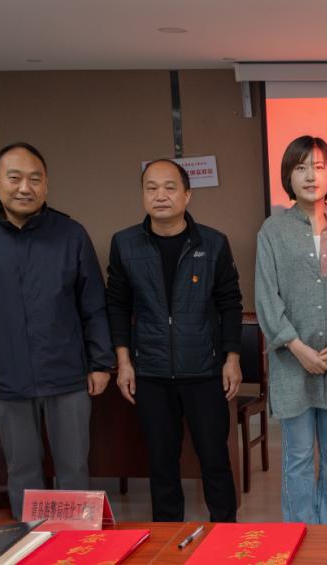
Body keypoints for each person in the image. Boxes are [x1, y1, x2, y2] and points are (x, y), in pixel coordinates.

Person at [0, 142, 114, 517]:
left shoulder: (70, 233)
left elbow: (93, 304)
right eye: (15, 178)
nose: (25, 187)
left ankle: (75, 544)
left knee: (74, 468)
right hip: (6, 375)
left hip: (67, 373)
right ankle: (32, 541)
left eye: (35, 179)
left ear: (46, 184)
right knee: (22, 468)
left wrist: (101, 362)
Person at [106, 159, 242, 522]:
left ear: (187, 194)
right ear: (142, 195)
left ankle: (226, 533)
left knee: (214, 459)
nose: (160, 195)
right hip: (150, 372)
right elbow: (117, 306)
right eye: (151, 188)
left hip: (204, 370)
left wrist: (231, 358)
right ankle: (167, 537)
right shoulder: (124, 244)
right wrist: (124, 362)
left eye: (169, 187)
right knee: (161, 462)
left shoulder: (213, 243)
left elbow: (230, 303)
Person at [255, 135, 327, 524]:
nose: (310, 175)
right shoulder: (272, 231)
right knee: (298, 455)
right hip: (292, 364)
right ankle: (300, 532)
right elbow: (266, 297)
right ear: (288, 176)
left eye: (318, 167)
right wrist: (296, 347)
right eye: (301, 167)